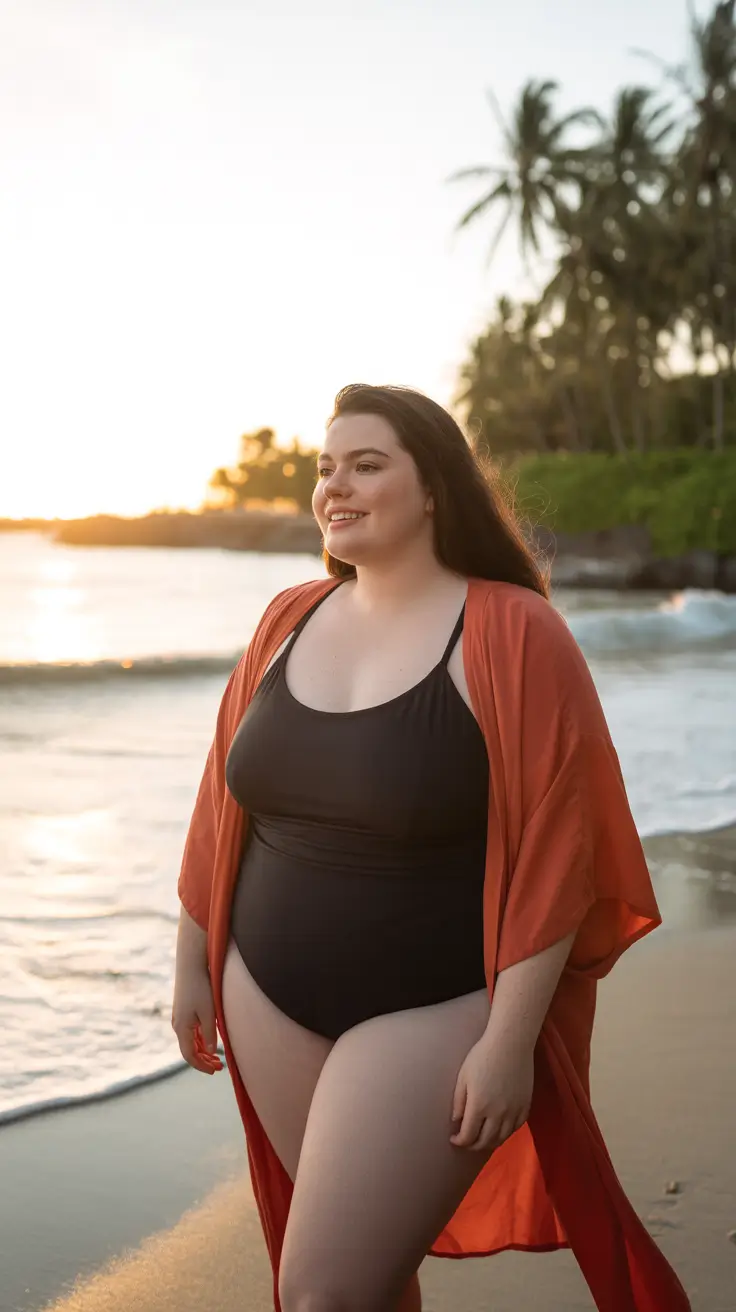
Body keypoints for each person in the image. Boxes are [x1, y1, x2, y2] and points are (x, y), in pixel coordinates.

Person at [171, 384, 691, 1312]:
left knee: (322, 1291)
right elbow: (222, 798)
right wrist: (190, 966)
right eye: (326, 468)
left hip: (433, 1009)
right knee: (368, 1277)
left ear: (435, 490)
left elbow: (561, 850)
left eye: (368, 465)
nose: (337, 485)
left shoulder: (512, 631)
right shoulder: (287, 618)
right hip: (264, 997)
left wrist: (509, 1041)